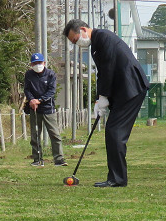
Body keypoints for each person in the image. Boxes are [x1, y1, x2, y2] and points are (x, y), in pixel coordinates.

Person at [63, 19, 150, 187]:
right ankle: (116, 177)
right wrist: (100, 99)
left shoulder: (102, 37)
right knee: (112, 132)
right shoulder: (96, 43)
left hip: (131, 88)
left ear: (82, 29)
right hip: (124, 90)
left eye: (75, 40)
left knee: (114, 131)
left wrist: (104, 97)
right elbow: (103, 73)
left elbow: (109, 67)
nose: (77, 44)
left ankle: (117, 179)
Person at [24, 53, 67, 167]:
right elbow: (27, 89)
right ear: (31, 64)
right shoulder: (29, 75)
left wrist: (40, 100)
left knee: (54, 134)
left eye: (39, 63)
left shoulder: (50, 74)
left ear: (44, 63)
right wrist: (32, 100)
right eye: (34, 63)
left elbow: (51, 91)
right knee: (35, 135)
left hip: (48, 108)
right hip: (34, 109)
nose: (37, 65)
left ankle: (59, 159)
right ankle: (37, 159)